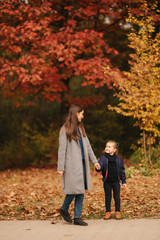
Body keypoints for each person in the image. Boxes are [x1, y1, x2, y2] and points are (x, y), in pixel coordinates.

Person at [57, 104, 100, 226]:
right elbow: (62, 150)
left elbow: (88, 146)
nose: (83, 116)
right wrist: (61, 167)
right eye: (81, 113)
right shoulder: (64, 130)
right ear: (76, 113)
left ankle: (77, 217)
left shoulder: (80, 129)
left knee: (80, 190)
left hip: (82, 164)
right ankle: (64, 209)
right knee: (74, 190)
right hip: (71, 165)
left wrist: (94, 161)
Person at [96, 140, 126, 220]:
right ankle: (108, 212)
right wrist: (98, 167)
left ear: (114, 150)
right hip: (107, 182)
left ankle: (118, 212)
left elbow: (122, 171)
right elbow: (100, 166)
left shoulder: (118, 160)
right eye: (106, 146)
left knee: (117, 197)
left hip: (116, 181)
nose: (107, 148)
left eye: (109, 147)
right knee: (108, 197)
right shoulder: (103, 158)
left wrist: (124, 181)